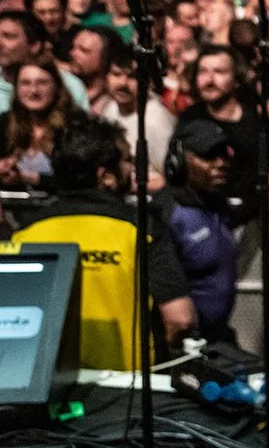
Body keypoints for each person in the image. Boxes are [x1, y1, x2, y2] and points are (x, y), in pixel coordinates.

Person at [10, 116, 195, 369]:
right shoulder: (142, 228)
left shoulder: (25, 232)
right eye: (128, 160)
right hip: (127, 389)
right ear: (105, 176)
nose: (133, 169)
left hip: (47, 384)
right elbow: (179, 319)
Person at [0, 12, 90, 230]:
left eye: (9, 36)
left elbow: (82, 170)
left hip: (70, 213)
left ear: (35, 45)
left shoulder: (73, 96)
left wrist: (30, 177)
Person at [155, 120, 241, 345]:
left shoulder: (218, 204)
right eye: (209, 156)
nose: (221, 163)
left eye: (224, 155)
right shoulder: (165, 215)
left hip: (219, 338)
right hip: (184, 346)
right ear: (178, 161)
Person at [178, 45, 263, 222]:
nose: (209, 80)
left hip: (251, 219)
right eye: (202, 72)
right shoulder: (190, 118)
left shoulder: (255, 122)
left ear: (236, 79)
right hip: (205, 217)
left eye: (219, 72)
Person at [0, 60, 80, 192]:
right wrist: (3, 169)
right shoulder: (4, 123)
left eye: (42, 83)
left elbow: (76, 181)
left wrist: (30, 178)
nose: (33, 91)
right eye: (26, 83)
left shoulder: (73, 126)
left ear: (56, 87)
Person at [94, 45, 177, 187]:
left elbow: (172, 179)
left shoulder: (155, 120)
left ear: (148, 81)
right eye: (116, 74)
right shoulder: (111, 109)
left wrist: (127, 185)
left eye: (132, 77)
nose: (123, 83)